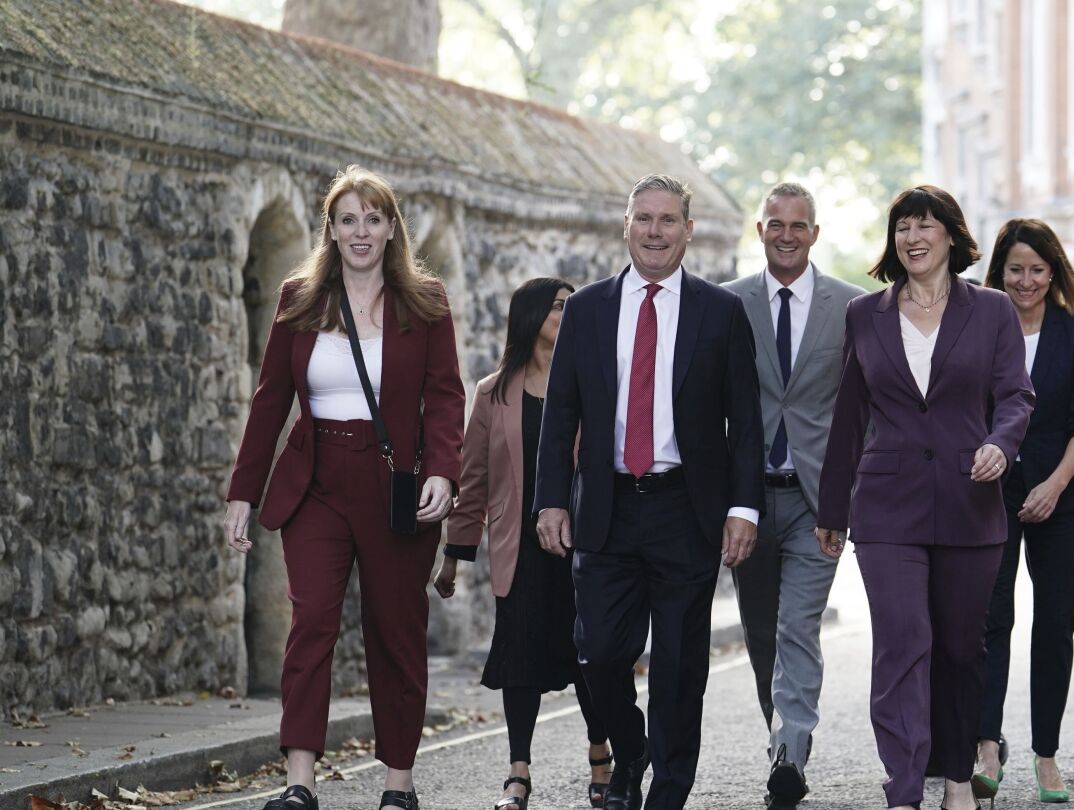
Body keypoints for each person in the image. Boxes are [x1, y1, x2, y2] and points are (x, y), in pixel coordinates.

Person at [222, 165, 465, 810]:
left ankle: (398, 784)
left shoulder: (426, 300)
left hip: (395, 485)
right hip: (316, 481)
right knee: (312, 624)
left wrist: (443, 469)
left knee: (396, 629)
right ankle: (299, 783)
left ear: (392, 229)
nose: (361, 231)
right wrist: (242, 492)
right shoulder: (300, 299)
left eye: (373, 218)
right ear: (331, 228)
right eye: (348, 218)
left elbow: (445, 396)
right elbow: (270, 400)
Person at [533, 174, 765, 810]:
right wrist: (551, 499)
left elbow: (745, 422)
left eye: (668, 220)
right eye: (644, 219)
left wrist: (743, 507)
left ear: (688, 231)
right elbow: (561, 414)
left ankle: (669, 787)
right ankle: (630, 750)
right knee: (600, 655)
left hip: (684, 508)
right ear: (626, 226)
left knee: (679, 666)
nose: (655, 231)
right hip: (605, 508)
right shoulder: (587, 309)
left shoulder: (720, 312)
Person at [815, 185, 1034, 810]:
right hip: (887, 507)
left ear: (950, 236)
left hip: (970, 500)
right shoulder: (866, 314)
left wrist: (1002, 443)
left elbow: (1017, 395)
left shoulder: (991, 311)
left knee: (962, 649)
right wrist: (833, 509)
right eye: (902, 227)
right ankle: (905, 785)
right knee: (902, 640)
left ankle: (958, 778)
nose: (912, 237)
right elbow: (849, 417)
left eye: (925, 226)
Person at [434, 278, 613, 810]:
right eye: (560, 305)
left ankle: (600, 755)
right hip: (521, 549)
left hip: (586, 545)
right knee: (522, 663)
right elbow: (475, 480)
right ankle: (518, 774)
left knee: (593, 658)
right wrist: (454, 556)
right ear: (533, 316)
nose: (569, 312)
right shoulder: (493, 393)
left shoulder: (594, 382)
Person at [721, 183, 866, 810]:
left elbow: (863, 409)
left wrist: (849, 495)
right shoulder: (729, 306)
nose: (786, 234)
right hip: (747, 501)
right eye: (774, 224)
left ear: (814, 232)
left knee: (797, 626)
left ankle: (791, 748)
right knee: (760, 633)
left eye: (798, 225)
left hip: (817, 500)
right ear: (759, 231)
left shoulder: (853, 307)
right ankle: (779, 732)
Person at [975, 219, 1074, 804]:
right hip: (989, 493)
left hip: (1060, 492)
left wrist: (1053, 485)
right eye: (1015, 269)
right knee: (989, 620)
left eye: (1037, 269)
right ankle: (986, 745)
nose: (1025, 281)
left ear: (1054, 272)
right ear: (999, 272)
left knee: (1055, 623)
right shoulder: (976, 326)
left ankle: (1046, 755)